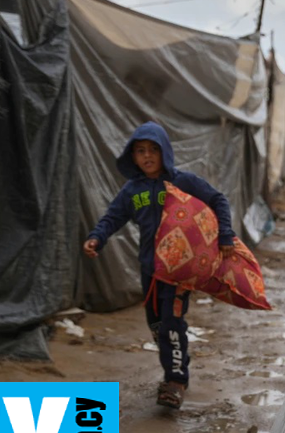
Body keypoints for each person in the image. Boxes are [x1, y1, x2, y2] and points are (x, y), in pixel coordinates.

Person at [82, 121, 236, 410]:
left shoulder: (183, 182)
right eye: (140, 151)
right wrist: (96, 238)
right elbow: (112, 217)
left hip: (177, 272)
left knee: (171, 323)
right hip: (149, 270)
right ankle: (176, 363)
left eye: (154, 149)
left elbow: (218, 200)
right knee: (156, 324)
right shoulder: (131, 191)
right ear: (132, 156)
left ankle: (176, 380)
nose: (148, 156)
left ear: (165, 151)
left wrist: (225, 234)